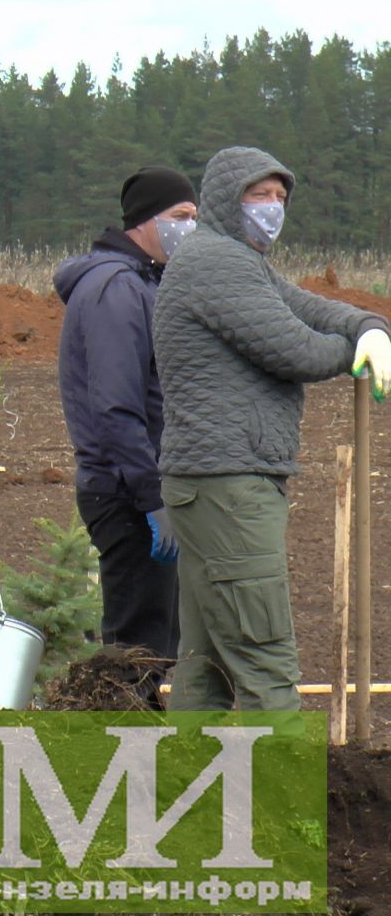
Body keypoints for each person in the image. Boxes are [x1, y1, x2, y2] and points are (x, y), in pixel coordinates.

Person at [153, 146, 391, 711]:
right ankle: (279, 797)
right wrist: (353, 351)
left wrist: (368, 325)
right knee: (265, 662)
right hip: (229, 484)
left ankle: (189, 792)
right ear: (224, 200)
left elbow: (311, 307)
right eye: (259, 195)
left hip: (213, 482)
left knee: (205, 664)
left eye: (280, 197)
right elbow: (296, 349)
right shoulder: (217, 263)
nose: (272, 208)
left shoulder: (241, 261)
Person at [55, 167, 197, 678]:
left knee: (156, 639)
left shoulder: (143, 283)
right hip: (126, 494)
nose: (190, 229)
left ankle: (140, 751)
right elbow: (116, 407)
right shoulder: (117, 290)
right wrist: (152, 499)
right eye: (181, 217)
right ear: (144, 222)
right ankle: (123, 752)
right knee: (136, 648)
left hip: (137, 488)